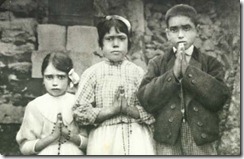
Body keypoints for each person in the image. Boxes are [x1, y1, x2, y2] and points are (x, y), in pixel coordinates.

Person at [137, 4, 230, 155]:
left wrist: (189, 72)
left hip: (201, 139)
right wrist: (172, 75)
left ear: (197, 31)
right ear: (167, 33)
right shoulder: (157, 63)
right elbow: (146, 100)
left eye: (186, 28)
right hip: (167, 140)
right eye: (174, 30)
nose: (180, 35)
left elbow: (219, 98)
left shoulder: (211, 63)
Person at [73, 15, 156, 155]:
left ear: (129, 42)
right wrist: (113, 109)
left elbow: (152, 110)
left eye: (121, 38)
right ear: (101, 44)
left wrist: (128, 109)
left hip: (136, 136)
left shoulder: (138, 73)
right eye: (109, 39)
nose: (115, 44)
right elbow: (80, 112)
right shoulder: (92, 73)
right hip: (104, 139)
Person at [16, 52, 87, 155]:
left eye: (61, 77)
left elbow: (91, 142)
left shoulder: (78, 103)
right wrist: (52, 137)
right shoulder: (35, 106)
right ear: (43, 79)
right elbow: (25, 147)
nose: (55, 83)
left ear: (69, 78)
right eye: (49, 77)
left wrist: (70, 135)